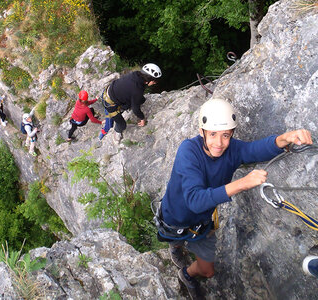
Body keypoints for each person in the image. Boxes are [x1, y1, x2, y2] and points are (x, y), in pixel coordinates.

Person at [156, 97, 312, 299]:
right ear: (202, 131)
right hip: (175, 217)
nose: (219, 143)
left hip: (203, 222)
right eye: (212, 134)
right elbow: (194, 200)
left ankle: (185, 274)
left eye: (226, 135)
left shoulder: (231, 149)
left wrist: (284, 139)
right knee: (173, 238)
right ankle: (176, 246)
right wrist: (242, 183)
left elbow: (254, 150)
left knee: (208, 271)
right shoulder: (189, 151)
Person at [100, 63, 162, 142]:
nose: (155, 83)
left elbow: (132, 90)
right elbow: (135, 109)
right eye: (154, 81)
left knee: (140, 100)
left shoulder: (136, 74)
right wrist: (142, 118)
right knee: (122, 125)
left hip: (111, 91)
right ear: (148, 79)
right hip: (110, 104)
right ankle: (116, 132)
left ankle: (123, 108)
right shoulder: (137, 90)